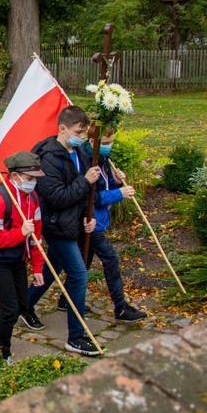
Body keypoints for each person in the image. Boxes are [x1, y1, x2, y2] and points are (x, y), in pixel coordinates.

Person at [25, 105, 101, 356]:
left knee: (52, 270)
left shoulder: (77, 153)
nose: (82, 137)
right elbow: (56, 197)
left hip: (70, 223)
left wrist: (85, 219)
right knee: (78, 274)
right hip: (56, 225)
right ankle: (75, 336)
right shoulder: (49, 158)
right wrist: (84, 181)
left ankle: (23, 306)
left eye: (84, 133)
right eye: (79, 132)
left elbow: (79, 196)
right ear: (62, 129)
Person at [57, 125, 146, 323]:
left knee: (84, 261)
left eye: (112, 142)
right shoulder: (88, 161)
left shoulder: (103, 159)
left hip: (98, 221)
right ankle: (120, 307)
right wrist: (119, 194)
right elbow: (92, 197)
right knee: (110, 258)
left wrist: (114, 181)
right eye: (105, 143)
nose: (109, 147)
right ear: (92, 142)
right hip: (89, 222)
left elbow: (104, 186)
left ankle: (65, 298)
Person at [0, 151, 45, 364]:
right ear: (15, 176)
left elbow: (36, 236)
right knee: (10, 310)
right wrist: (19, 234)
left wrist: (38, 267)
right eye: (30, 178)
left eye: (35, 179)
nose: (33, 183)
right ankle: (3, 352)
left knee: (23, 305)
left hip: (18, 258)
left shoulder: (32, 198)